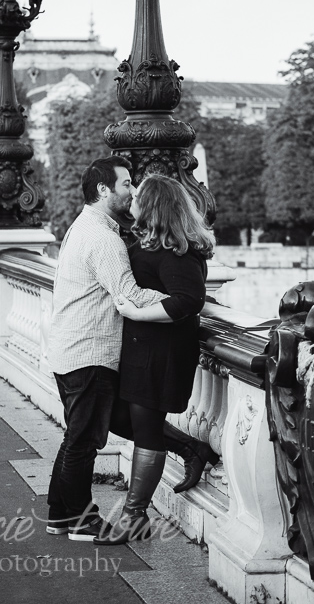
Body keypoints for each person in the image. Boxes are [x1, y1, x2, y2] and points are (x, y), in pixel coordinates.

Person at [45, 156, 168, 541]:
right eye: (126, 184)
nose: (133, 191)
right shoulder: (103, 238)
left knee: (75, 436)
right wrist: (182, 301)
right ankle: (82, 519)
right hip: (91, 352)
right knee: (84, 442)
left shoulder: (82, 227)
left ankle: (60, 513)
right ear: (103, 189)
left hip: (70, 348)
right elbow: (128, 294)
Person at [95, 173, 219, 545]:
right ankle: (190, 448)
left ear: (152, 205)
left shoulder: (176, 252)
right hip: (141, 350)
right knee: (118, 417)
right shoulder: (151, 244)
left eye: (138, 194)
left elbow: (189, 301)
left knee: (145, 429)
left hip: (161, 354)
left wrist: (137, 314)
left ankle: (134, 516)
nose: (131, 196)